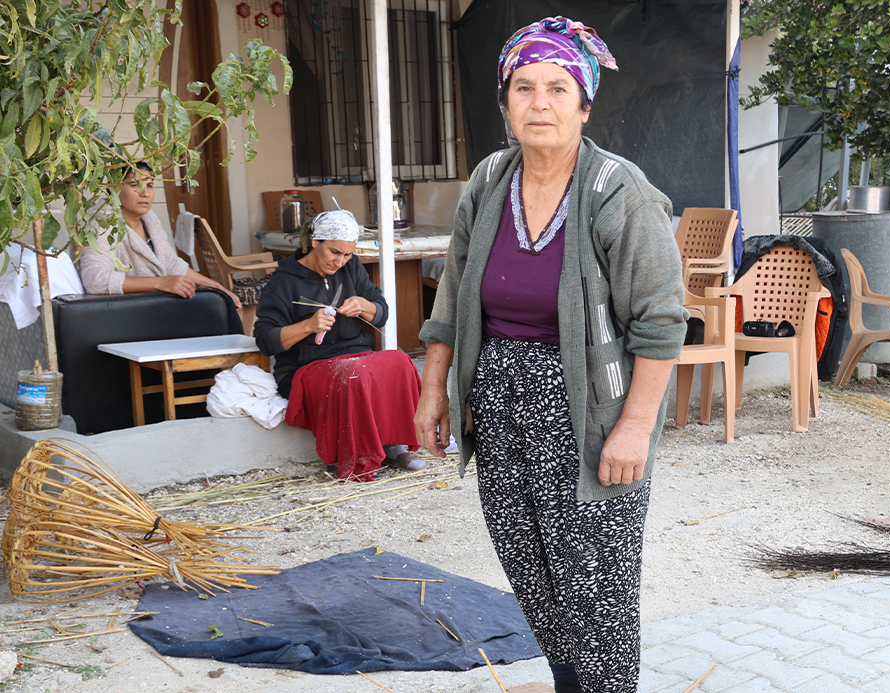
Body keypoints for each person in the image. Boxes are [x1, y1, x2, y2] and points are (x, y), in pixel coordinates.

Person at [412, 17, 686, 693]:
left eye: (558, 88)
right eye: (524, 87)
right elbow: (450, 294)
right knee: (529, 565)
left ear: (585, 103)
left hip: (590, 410)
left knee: (597, 578)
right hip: (499, 404)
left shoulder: (620, 192)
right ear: (504, 102)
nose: (540, 102)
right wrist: (433, 388)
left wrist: (634, 425)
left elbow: (661, 321)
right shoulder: (488, 181)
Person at [253, 210, 424, 481]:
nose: (340, 261)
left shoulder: (351, 268)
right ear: (314, 242)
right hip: (306, 368)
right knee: (353, 376)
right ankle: (357, 454)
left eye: (347, 254)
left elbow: (381, 312)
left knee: (400, 362)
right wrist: (307, 326)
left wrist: (363, 306)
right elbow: (265, 340)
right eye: (334, 252)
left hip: (357, 356)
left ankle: (394, 444)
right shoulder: (283, 282)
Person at [78, 162, 241, 308]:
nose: (145, 193)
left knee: (221, 305)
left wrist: (217, 287)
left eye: (149, 185)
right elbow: (95, 280)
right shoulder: (102, 224)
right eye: (135, 184)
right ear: (115, 189)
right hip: (128, 313)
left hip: (160, 304)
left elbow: (170, 263)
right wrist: (160, 283)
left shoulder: (149, 220)